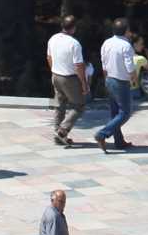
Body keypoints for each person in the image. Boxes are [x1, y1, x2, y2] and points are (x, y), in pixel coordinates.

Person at [46, 15, 87, 146]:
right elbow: (79, 66)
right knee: (79, 106)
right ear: (74, 28)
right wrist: (84, 84)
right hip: (69, 78)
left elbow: (49, 57)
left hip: (56, 75)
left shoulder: (53, 38)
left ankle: (57, 135)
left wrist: (53, 70)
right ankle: (62, 131)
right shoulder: (74, 43)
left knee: (59, 105)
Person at [96, 19, 136, 151]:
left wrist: (106, 78)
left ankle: (119, 141)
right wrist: (134, 79)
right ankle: (102, 134)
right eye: (129, 30)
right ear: (126, 31)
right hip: (121, 81)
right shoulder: (126, 45)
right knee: (125, 113)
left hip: (109, 79)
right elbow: (130, 66)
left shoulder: (106, 43)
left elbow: (103, 62)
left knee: (115, 113)